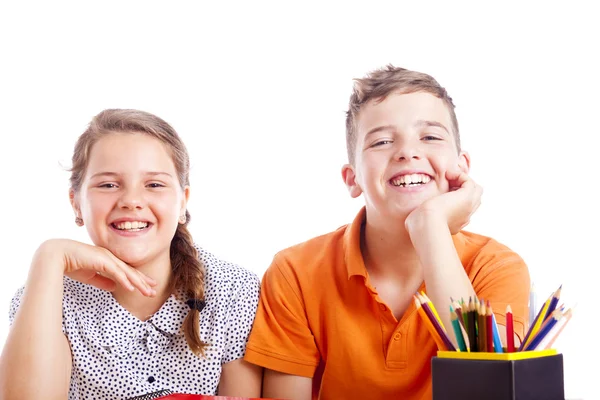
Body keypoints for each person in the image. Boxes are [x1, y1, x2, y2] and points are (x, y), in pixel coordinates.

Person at [244, 65, 531, 399]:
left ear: (462, 166)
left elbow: (487, 389)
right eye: (381, 141)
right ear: (352, 179)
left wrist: (432, 228)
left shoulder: (497, 266)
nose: (407, 152)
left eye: (430, 137)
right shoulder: (295, 272)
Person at [0, 109, 262, 400]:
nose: (131, 201)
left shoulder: (235, 291)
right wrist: (49, 256)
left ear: (181, 203)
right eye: (108, 184)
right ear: (76, 203)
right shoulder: (45, 297)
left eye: (154, 185)